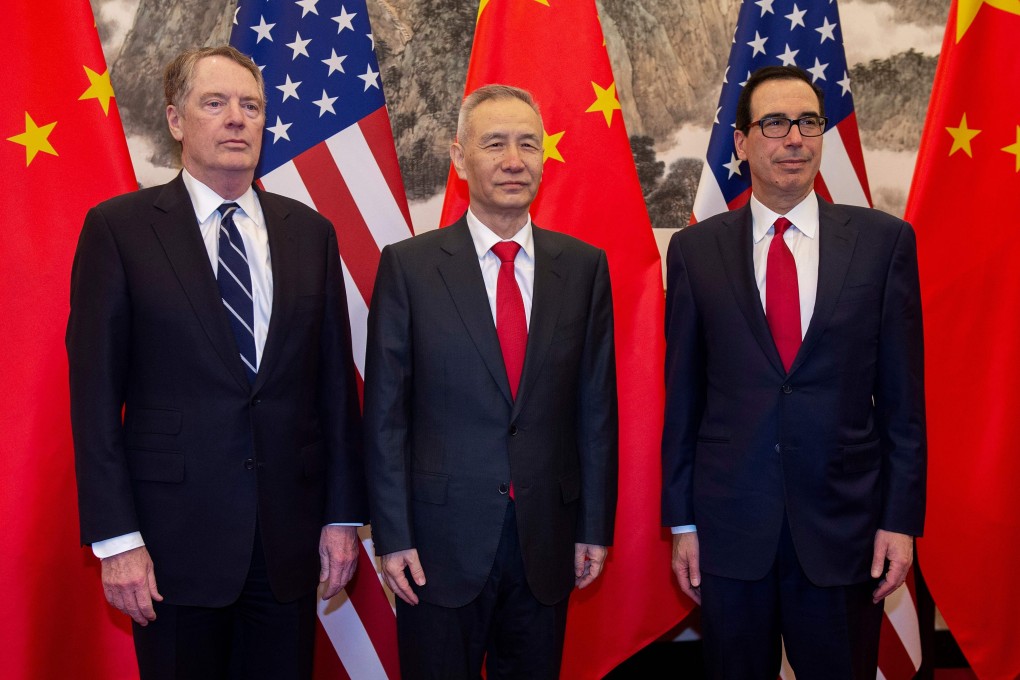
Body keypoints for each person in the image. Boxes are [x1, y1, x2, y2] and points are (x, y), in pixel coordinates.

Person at [66, 45, 367, 680]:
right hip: (170, 549)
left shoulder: (310, 233)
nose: (237, 118)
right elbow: (94, 399)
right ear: (176, 120)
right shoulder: (118, 230)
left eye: (251, 106)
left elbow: (336, 391)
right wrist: (117, 541)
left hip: (287, 546)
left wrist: (342, 517)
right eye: (216, 103)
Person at [661, 65, 926, 679]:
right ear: (742, 141)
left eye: (808, 122)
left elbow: (903, 403)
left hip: (844, 528)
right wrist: (683, 522)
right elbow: (684, 398)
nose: (794, 139)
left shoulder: (884, 244)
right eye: (775, 123)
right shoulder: (696, 252)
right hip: (729, 533)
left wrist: (900, 520)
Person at [363, 84, 619, 679]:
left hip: (547, 543)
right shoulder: (410, 266)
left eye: (528, 144)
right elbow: (385, 414)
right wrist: (392, 535)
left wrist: (593, 527)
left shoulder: (582, 267)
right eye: (495, 143)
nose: (513, 160)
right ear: (458, 158)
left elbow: (595, 410)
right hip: (435, 547)